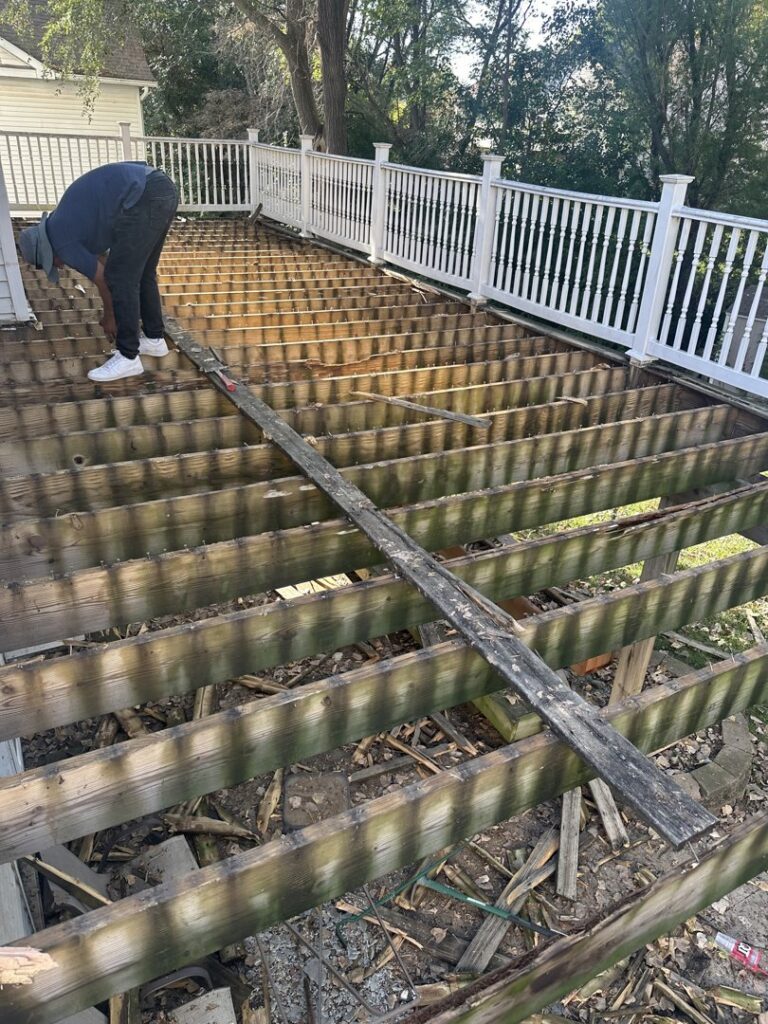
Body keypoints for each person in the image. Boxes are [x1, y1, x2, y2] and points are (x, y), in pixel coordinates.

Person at [18, 162, 179, 382]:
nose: (59, 266)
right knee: (141, 272)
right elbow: (104, 260)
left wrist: (111, 318)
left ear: (48, 250)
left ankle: (128, 356)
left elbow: (105, 278)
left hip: (144, 195)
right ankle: (154, 339)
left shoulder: (62, 239)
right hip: (158, 188)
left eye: (52, 262)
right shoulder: (66, 222)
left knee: (122, 277)